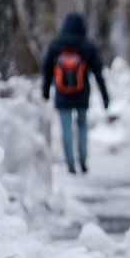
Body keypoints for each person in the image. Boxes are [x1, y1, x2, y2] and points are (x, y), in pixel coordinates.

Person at [42, 12, 110, 174]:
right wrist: (105, 96)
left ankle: (70, 164)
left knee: (65, 128)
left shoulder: (56, 46)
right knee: (82, 126)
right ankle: (83, 160)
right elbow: (98, 73)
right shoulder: (86, 46)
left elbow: (46, 69)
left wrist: (45, 91)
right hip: (81, 94)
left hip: (62, 95)